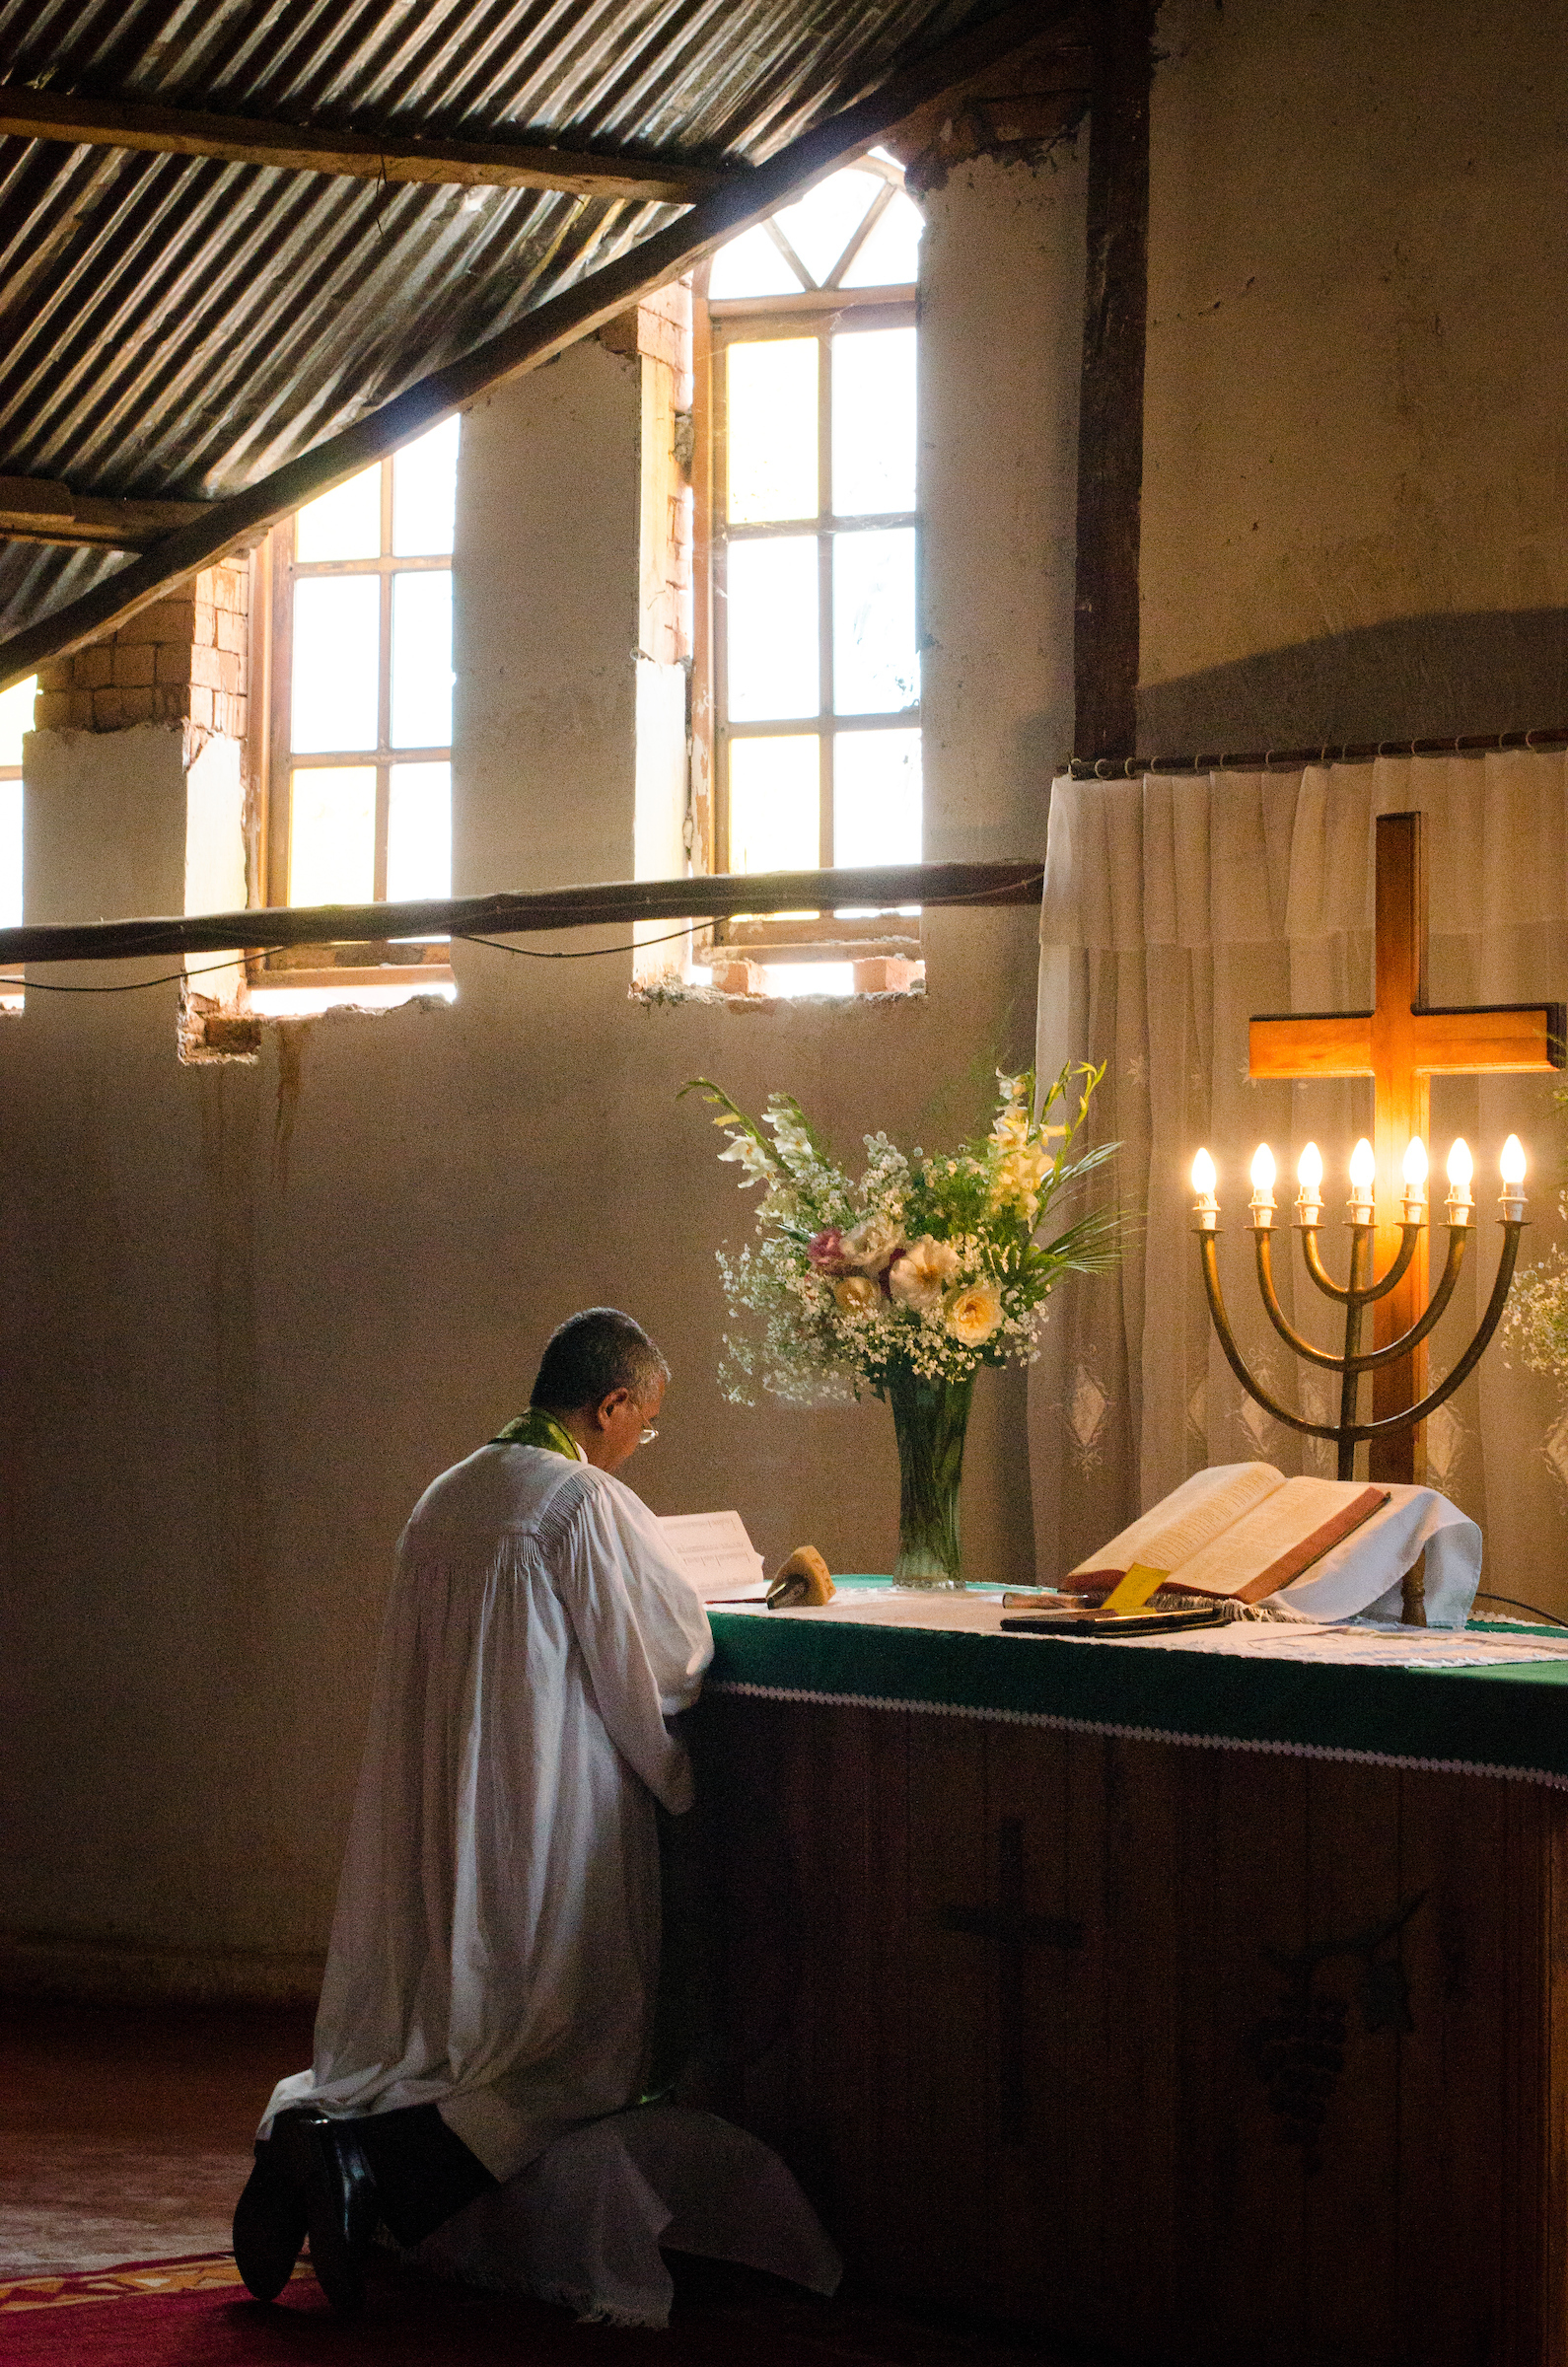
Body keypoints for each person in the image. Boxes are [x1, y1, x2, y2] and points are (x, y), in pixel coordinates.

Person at [233, 1307, 713, 2314]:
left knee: (439, 2032)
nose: (640, 1443)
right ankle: (367, 2166)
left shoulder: (448, 1492)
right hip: (545, 1813)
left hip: (444, 1809)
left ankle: (306, 2138)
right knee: (570, 2042)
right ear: (611, 1404)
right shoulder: (581, 1501)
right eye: (645, 1422)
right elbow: (663, 1656)